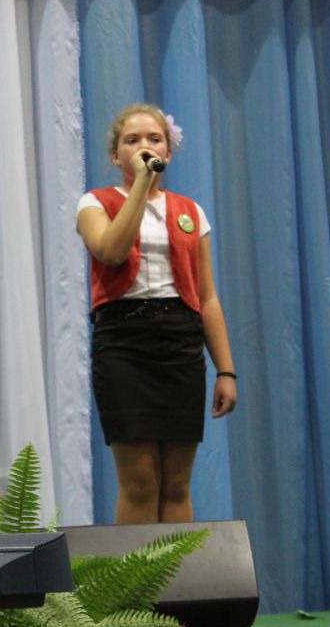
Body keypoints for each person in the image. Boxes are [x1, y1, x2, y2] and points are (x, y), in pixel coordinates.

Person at [76, 103, 237, 524]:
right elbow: (112, 251)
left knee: (177, 483)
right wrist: (140, 187)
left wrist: (226, 370)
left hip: (180, 343)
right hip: (123, 344)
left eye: (154, 139)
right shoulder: (94, 203)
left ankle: (179, 570)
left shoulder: (190, 211)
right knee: (140, 482)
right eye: (132, 140)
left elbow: (207, 297)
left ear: (168, 150)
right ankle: (135, 571)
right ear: (117, 156)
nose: (144, 146)